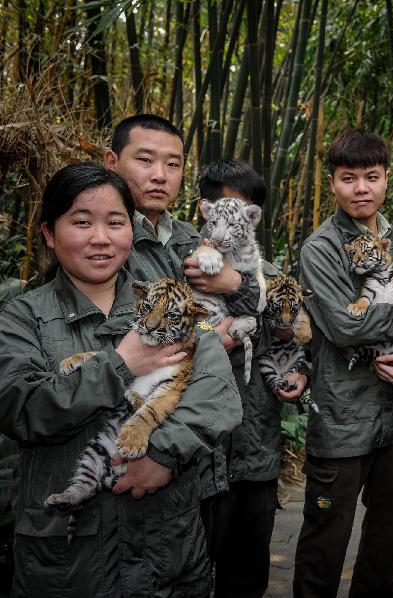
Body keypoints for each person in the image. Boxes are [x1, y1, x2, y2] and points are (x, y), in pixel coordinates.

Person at [0, 163, 242, 596]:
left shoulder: (175, 302)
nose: (101, 238)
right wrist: (121, 362)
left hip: (169, 551)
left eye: (115, 222)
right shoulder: (20, 316)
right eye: (81, 222)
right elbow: (23, 408)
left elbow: (219, 389)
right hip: (67, 563)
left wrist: (163, 453)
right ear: (49, 234)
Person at [104, 114, 262, 513]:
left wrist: (234, 286)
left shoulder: (196, 238)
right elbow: (135, 336)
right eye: (145, 160)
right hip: (132, 441)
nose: (159, 175)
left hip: (199, 452)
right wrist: (211, 330)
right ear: (111, 162)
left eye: (172, 164)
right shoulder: (104, 244)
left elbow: (265, 307)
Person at [294, 128, 393, 597]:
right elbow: (344, 327)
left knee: (386, 537)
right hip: (342, 420)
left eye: (371, 177)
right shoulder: (321, 248)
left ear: (388, 178)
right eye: (349, 178)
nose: (361, 188)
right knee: (326, 536)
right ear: (332, 182)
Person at [196, 159, 304, 597]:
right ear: (205, 211)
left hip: (255, 443)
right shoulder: (185, 267)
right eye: (223, 207)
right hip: (198, 451)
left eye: (244, 209)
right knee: (191, 568)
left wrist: (299, 373)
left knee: (246, 572)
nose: (232, 219)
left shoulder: (275, 278)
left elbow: (293, 342)